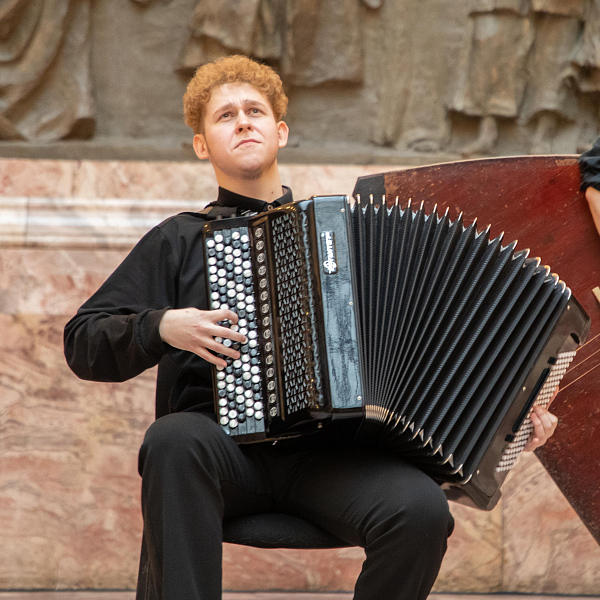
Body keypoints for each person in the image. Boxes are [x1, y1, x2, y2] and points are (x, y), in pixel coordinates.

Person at [64, 55, 558, 600]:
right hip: (222, 454)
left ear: (280, 132)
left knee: (420, 510)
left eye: (255, 111)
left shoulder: (346, 238)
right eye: (225, 116)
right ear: (202, 145)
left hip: (329, 460)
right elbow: (83, 340)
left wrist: (508, 423)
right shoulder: (179, 240)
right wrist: (161, 326)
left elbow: (437, 354)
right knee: (173, 440)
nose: (243, 122)